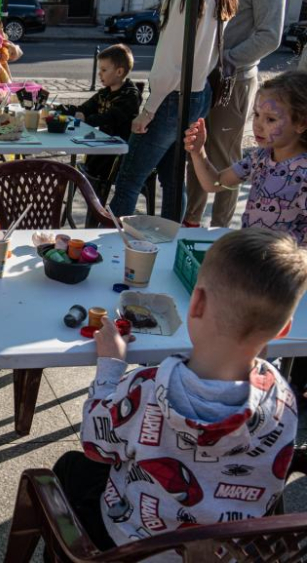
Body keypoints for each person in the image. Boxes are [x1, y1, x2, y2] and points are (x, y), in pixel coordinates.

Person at [54, 227, 304, 552]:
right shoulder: (285, 400)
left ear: (195, 302)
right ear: (283, 329)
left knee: (71, 467)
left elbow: (95, 444)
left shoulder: (146, 388)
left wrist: (112, 365)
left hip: (133, 547)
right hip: (230, 551)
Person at [108, 0, 238, 221]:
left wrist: (148, 110)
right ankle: (171, 240)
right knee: (174, 179)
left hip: (171, 97)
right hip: (198, 93)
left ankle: (114, 248)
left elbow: (170, 62)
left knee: (129, 179)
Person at [184, 0, 287, 228]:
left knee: (224, 157)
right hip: (202, 78)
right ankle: (192, 221)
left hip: (233, 80)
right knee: (196, 151)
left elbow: (270, 36)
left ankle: (219, 230)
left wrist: (227, 60)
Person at [184, 71, 307, 245]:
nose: (257, 125)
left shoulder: (303, 173)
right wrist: (198, 152)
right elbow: (215, 182)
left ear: (301, 123)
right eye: (256, 115)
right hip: (252, 255)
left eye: (270, 119)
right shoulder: (260, 157)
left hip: (283, 268)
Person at [57, 44, 141, 187]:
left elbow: (110, 118)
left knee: (85, 173)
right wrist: (60, 109)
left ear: (119, 72)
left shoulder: (130, 96)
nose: (99, 74)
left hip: (118, 151)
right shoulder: (105, 92)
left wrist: (85, 119)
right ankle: (89, 193)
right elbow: (85, 108)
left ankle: (95, 202)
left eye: (103, 70)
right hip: (102, 146)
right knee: (81, 169)